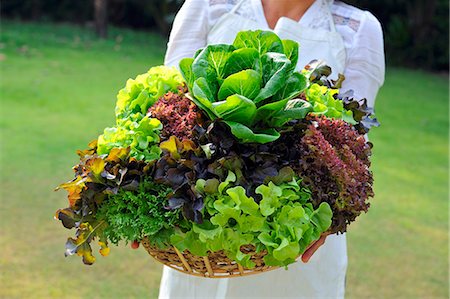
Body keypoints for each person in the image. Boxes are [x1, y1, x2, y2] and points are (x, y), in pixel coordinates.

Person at [159, 0, 385, 298]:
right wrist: (139, 194)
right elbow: (164, 114)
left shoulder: (358, 30)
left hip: (293, 256)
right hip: (199, 244)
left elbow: (352, 146)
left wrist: (333, 215)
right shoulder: (206, 6)